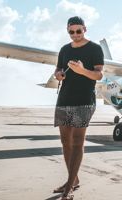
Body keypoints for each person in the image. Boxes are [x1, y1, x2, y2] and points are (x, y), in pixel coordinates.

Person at [52, 16, 105, 200]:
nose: (75, 35)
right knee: (65, 142)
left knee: (77, 143)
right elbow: (57, 70)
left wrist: (82, 71)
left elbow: (99, 75)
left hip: (84, 100)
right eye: (71, 32)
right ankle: (72, 180)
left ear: (85, 29)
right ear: (68, 31)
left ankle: (68, 188)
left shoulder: (95, 48)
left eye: (78, 31)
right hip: (64, 98)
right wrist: (58, 75)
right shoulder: (64, 49)